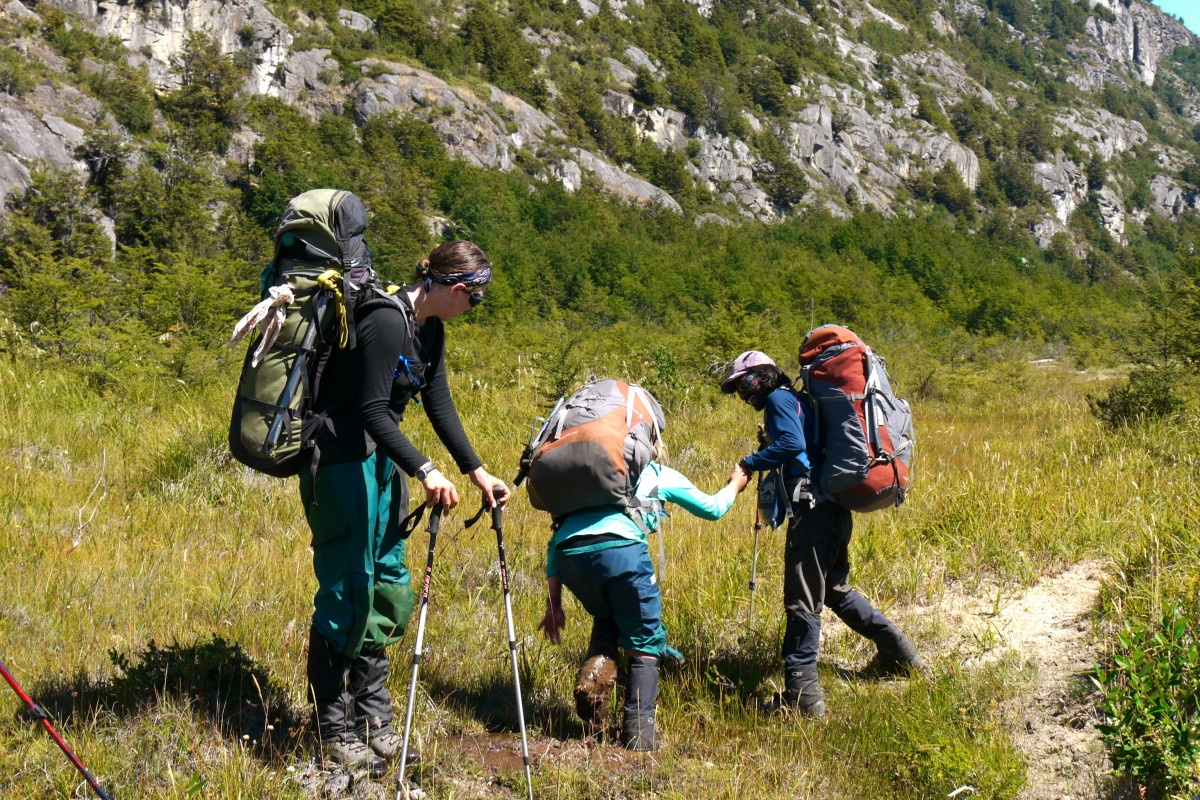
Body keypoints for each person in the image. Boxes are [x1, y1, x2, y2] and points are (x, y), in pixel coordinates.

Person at [301, 240, 511, 774]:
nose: (474, 308)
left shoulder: (429, 329)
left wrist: (477, 470)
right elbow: (372, 409)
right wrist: (426, 470)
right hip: (341, 460)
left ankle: (375, 723)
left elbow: (437, 402)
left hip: (381, 461)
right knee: (350, 587)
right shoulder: (385, 320)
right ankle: (335, 729)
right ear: (457, 288)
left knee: (387, 584)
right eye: (476, 299)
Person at [721, 350, 924, 718]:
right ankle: (900, 653)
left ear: (764, 375)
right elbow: (804, 446)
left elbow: (793, 446)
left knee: (801, 601)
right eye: (738, 389)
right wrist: (771, 443)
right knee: (834, 590)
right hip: (832, 509)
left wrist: (749, 462)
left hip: (811, 512)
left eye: (745, 383)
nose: (743, 393)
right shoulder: (798, 400)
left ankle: (803, 697)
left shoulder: (778, 399)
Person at [538, 443, 750, 751]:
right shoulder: (655, 473)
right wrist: (735, 484)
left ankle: (593, 692)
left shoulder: (587, 479)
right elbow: (712, 509)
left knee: (610, 616)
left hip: (570, 559)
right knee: (644, 638)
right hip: (623, 553)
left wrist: (554, 604)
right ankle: (639, 737)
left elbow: (554, 542)